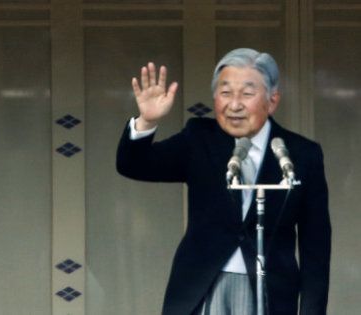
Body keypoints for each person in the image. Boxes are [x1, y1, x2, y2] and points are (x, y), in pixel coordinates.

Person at [116, 48, 330, 314]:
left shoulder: (301, 154)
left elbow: (316, 246)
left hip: (269, 291)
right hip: (203, 286)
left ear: (272, 100)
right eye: (225, 93)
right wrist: (147, 121)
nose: (234, 104)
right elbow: (133, 165)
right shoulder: (199, 139)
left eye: (247, 94)